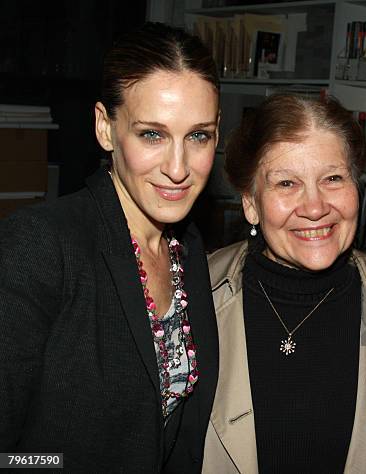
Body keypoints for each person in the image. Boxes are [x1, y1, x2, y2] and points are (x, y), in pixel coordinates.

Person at [0, 23, 220, 473]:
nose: (178, 169)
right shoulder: (42, 245)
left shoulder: (188, 248)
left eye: (198, 136)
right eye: (152, 134)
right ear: (105, 127)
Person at [202, 93, 366, 473]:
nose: (315, 207)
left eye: (333, 178)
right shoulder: (190, 297)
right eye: (286, 183)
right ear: (250, 203)